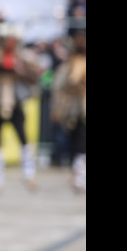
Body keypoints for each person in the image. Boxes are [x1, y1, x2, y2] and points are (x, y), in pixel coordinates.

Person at [0, 22, 43, 194]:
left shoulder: (22, 59)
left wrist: (21, 70)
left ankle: (29, 174)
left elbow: (33, 78)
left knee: (23, 138)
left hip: (15, 101)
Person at [50, 19, 85, 193]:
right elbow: (60, 85)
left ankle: (80, 175)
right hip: (75, 107)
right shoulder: (70, 63)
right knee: (76, 138)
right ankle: (78, 174)